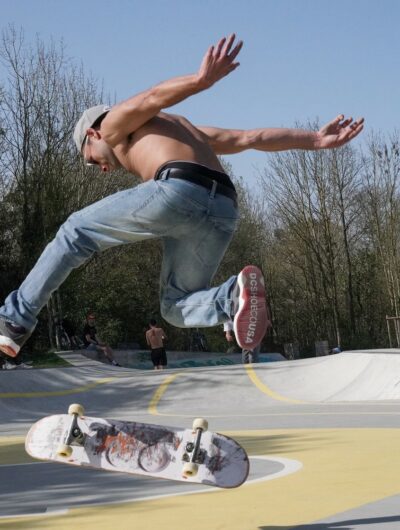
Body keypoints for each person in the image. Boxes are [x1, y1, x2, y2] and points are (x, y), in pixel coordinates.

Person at [0, 34, 364, 360]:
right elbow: (249, 138)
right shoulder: (187, 130)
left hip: (179, 191)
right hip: (223, 208)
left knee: (74, 231)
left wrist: (199, 80)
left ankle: (14, 319)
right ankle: (231, 297)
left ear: (93, 134)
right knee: (175, 307)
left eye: (90, 159)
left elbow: (152, 96)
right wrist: (314, 140)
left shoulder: (111, 126)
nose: (100, 168)